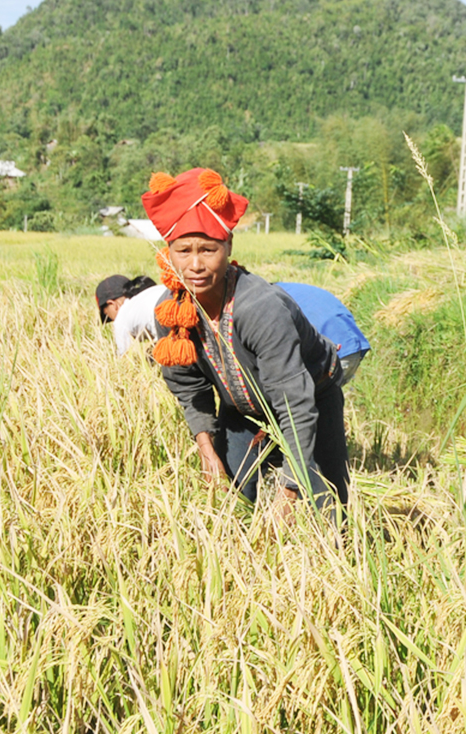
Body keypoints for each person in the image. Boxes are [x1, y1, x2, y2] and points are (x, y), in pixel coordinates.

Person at [141, 167, 349, 512]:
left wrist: (290, 490)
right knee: (234, 500)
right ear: (169, 253)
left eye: (208, 250)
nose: (195, 264)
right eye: (183, 251)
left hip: (311, 393)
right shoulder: (171, 312)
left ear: (228, 246)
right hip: (241, 407)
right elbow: (189, 388)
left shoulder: (260, 308)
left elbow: (295, 403)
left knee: (327, 503)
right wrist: (207, 449)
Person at [96, 275, 370, 385]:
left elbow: (125, 367)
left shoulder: (256, 306)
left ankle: (298, 477)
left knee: (291, 407)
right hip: (353, 342)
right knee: (318, 408)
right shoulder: (267, 292)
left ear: (113, 304)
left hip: (331, 348)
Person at [95, 274, 167, 355]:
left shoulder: (121, 318)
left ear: (113, 304)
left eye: (107, 315)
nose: (113, 320)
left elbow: (125, 357)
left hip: (165, 316)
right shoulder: (149, 293)